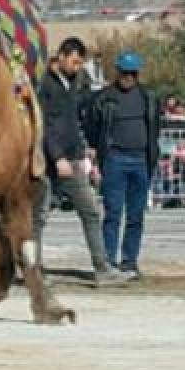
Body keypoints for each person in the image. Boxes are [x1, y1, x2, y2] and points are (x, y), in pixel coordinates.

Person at [31, 38, 114, 286]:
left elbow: (74, 120)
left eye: (81, 63)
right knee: (38, 217)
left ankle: (102, 269)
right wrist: (57, 158)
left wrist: (84, 147)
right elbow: (43, 124)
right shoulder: (44, 84)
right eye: (75, 62)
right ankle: (34, 272)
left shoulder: (76, 82)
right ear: (62, 56)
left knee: (89, 211)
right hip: (51, 162)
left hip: (74, 157)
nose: (78, 67)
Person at [86, 50, 159, 282]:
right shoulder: (103, 98)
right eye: (124, 72)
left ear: (138, 74)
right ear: (117, 72)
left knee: (136, 216)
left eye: (132, 73)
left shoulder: (149, 98)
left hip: (141, 161)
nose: (128, 77)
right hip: (115, 160)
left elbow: (156, 127)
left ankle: (130, 261)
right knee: (113, 213)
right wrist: (96, 151)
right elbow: (91, 127)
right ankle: (108, 262)